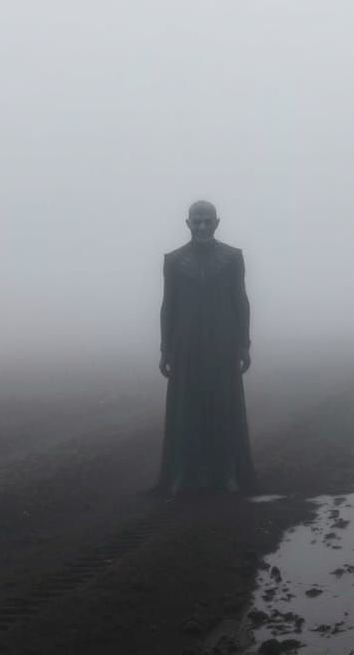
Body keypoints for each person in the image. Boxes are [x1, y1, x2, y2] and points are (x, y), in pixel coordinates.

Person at [156, 200, 255, 494]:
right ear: (187, 223)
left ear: (217, 222)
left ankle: (227, 473)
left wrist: (244, 344)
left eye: (207, 221)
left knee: (225, 409)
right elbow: (167, 307)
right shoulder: (173, 261)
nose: (201, 226)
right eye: (196, 221)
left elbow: (241, 301)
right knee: (185, 411)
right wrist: (165, 349)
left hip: (223, 345)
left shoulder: (232, 258)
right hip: (185, 347)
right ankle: (182, 474)